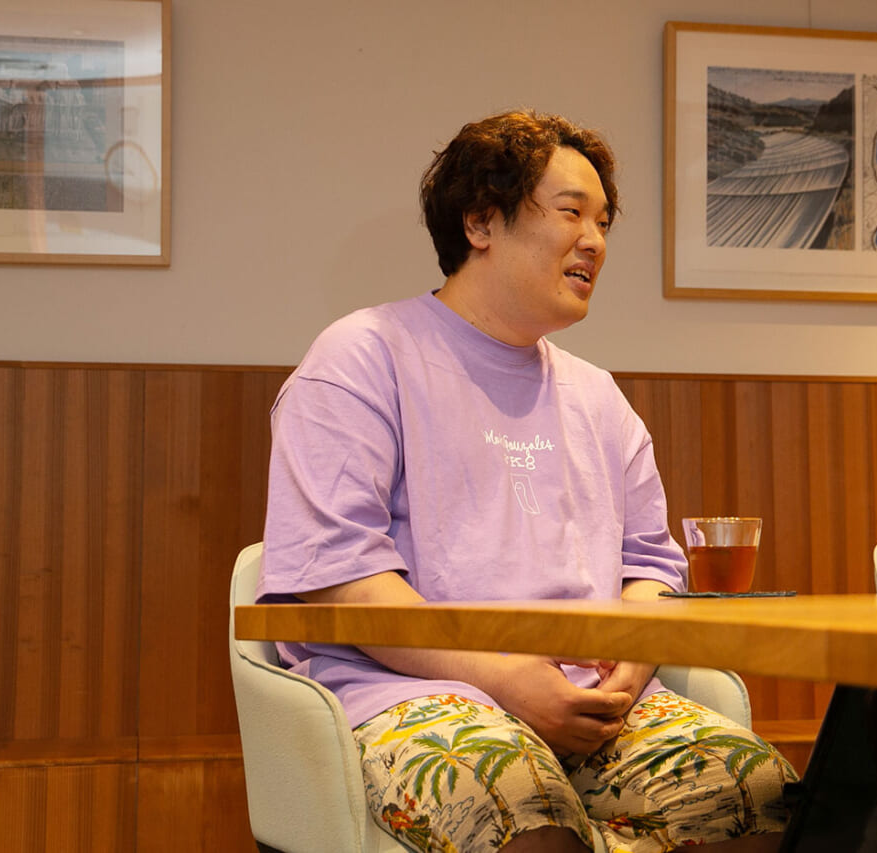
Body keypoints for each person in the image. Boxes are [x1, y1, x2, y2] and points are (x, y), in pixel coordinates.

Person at [257, 109, 796, 853]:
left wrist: (628, 671)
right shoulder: (362, 357)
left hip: (598, 702)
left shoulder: (597, 395)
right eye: (571, 212)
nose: (595, 240)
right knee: (526, 816)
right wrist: (507, 679)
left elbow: (651, 569)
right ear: (481, 222)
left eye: (603, 221)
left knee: (763, 799)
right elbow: (340, 582)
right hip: (415, 695)